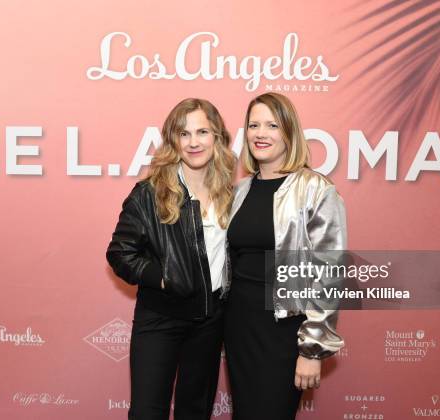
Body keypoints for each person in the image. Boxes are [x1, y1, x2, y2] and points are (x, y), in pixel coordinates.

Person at [106, 98, 235, 420]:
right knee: (148, 411)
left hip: (209, 321)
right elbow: (120, 253)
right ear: (173, 140)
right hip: (160, 317)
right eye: (184, 133)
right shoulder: (149, 193)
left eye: (202, 131)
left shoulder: (231, 193)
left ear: (217, 136)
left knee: (195, 410)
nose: (193, 142)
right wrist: (164, 278)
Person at [224, 92, 347, 419]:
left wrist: (312, 348)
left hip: (285, 332)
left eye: (272, 125)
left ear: (289, 132)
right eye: (253, 125)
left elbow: (331, 273)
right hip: (240, 326)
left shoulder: (315, 188)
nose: (260, 133)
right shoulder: (240, 191)